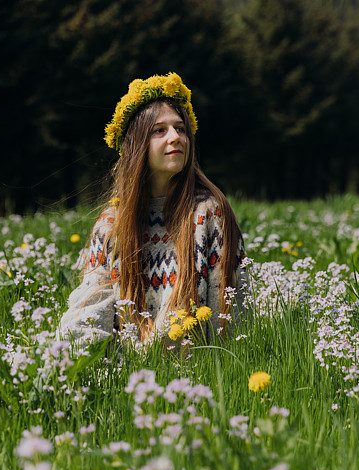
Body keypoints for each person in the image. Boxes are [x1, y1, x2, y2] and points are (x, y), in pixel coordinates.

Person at [59, 73, 249, 347]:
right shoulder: (111, 225)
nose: (175, 137)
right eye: (160, 130)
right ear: (137, 145)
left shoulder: (209, 213)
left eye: (181, 129)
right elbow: (89, 311)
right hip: (129, 377)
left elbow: (232, 311)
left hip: (197, 375)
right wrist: (73, 365)